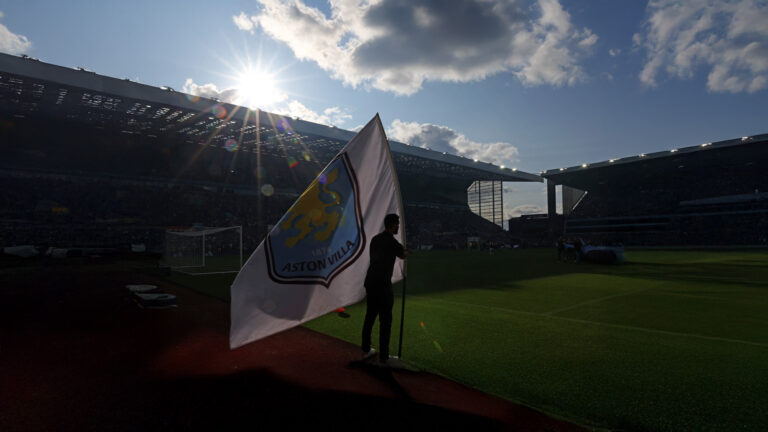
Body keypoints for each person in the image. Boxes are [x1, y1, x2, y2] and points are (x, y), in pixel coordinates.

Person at [361, 213, 408, 364]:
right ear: (393, 225)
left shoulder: (375, 239)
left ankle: (366, 349)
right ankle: (384, 356)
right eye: (397, 224)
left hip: (371, 282)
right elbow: (402, 254)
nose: (398, 227)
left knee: (370, 316)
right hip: (382, 285)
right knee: (385, 320)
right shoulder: (392, 242)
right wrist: (407, 251)